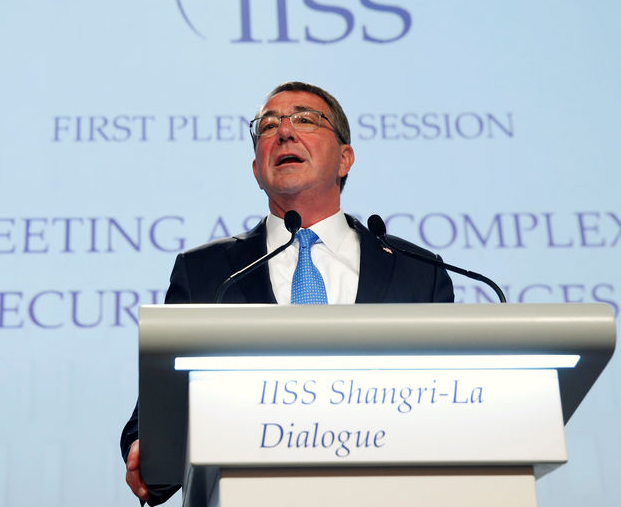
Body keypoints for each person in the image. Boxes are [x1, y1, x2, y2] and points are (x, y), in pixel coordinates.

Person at [121, 81, 454, 504]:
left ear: (345, 158)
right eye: (267, 126)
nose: (284, 132)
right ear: (257, 169)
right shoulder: (205, 272)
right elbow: (157, 414)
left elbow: (449, 404)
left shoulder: (417, 271)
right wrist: (148, 452)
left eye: (305, 120)